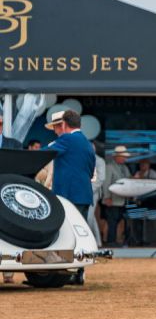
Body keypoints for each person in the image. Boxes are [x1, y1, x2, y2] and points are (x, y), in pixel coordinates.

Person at [43, 110, 95, 284]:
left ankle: (69, 272)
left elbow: (43, 154)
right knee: (81, 236)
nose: (56, 132)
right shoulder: (87, 143)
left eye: (56, 128)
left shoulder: (66, 139)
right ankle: (79, 272)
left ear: (63, 125)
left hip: (69, 195)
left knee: (66, 235)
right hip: (84, 194)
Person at [100, 145, 133, 246]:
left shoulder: (124, 168)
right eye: (123, 156)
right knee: (112, 222)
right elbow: (106, 183)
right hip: (112, 200)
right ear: (116, 157)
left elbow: (128, 180)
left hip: (122, 200)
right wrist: (107, 197)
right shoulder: (109, 167)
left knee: (120, 221)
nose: (124, 158)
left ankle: (119, 240)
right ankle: (111, 241)